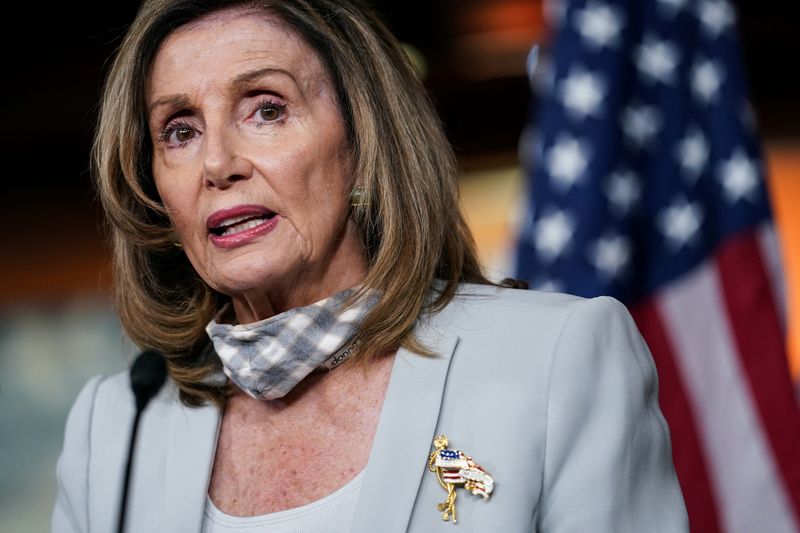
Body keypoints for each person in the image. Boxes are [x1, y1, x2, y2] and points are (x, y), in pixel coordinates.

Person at [51, 1, 688, 531]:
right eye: (180, 130)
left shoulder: (556, 358)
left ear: (361, 143)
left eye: (266, 108)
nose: (218, 163)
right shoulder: (114, 425)